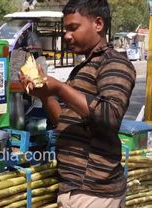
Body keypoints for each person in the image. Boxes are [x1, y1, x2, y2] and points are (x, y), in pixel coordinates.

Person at [20, 0, 136, 207]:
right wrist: (45, 95)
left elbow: (110, 116)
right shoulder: (83, 68)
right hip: (75, 188)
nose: (66, 35)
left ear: (98, 24)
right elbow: (63, 120)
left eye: (73, 28)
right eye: (66, 29)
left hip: (94, 191)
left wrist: (61, 89)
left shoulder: (114, 62)